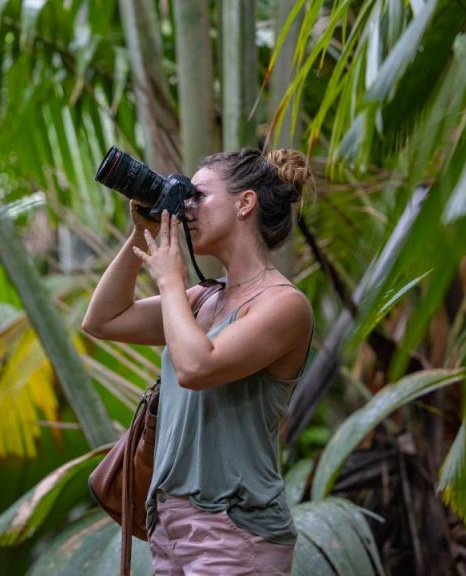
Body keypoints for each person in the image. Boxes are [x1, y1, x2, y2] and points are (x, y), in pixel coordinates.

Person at [81, 148, 315, 575]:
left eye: (198, 195)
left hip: (234, 528)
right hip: (170, 525)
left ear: (245, 203)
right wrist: (143, 232)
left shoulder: (284, 305)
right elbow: (103, 320)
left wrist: (170, 281)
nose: (186, 208)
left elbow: (196, 368)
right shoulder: (204, 299)